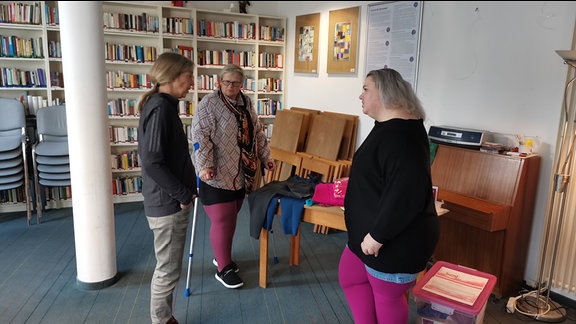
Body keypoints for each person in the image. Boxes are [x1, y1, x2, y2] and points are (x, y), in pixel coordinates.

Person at [338, 68, 439, 324]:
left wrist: (378, 236)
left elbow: (408, 194)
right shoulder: (388, 127)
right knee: (351, 277)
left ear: (383, 93)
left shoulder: (402, 135)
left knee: (387, 298)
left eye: (365, 89)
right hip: (366, 236)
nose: (360, 96)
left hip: (390, 241)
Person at [192, 64, 274, 289]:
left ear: (242, 84)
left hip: (241, 172)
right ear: (219, 82)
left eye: (236, 83)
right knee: (222, 219)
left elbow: (257, 132)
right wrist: (205, 165)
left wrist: (266, 157)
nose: (231, 86)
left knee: (232, 216)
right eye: (227, 82)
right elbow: (201, 136)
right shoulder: (209, 104)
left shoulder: (246, 103)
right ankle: (223, 269)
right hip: (215, 172)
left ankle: (222, 256)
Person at [137, 52, 197, 324]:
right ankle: (161, 321)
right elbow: (152, 163)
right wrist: (183, 195)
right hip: (168, 204)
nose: (192, 82)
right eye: (188, 76)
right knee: (168, 270)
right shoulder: (161, 109)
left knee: (168, 267)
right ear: (172, 77)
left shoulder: (162, 104)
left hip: (167, 201)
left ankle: (165, 317)